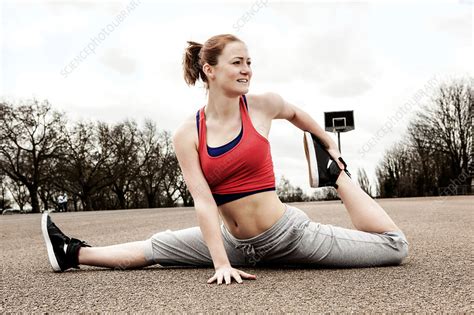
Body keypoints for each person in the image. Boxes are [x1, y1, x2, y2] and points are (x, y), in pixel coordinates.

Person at [41, 34, 408, 285]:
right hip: (233, 243)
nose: (247, 69)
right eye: (237, 62)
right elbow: (203, 200)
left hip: (288, 235)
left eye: (249, 62)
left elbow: (294, 113)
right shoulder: (188, 133)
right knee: (157, 248)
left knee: (395, 248)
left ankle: (337, 177)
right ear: (210, 70)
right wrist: (221, 263)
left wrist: (326, 141)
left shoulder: (261, 106)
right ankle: (72, 252)